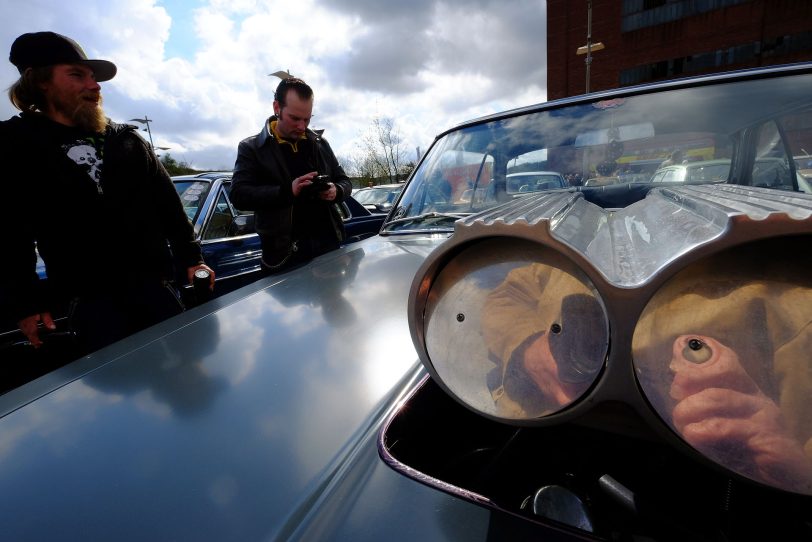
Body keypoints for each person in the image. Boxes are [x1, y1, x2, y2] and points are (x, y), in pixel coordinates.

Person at [0, 31, 214, 356]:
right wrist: (25, 300)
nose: (95, 86)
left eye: (94, 78)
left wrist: (192, 259)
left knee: (186, 369)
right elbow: (9, 232)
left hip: (156, 291)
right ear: (41, 81)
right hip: (89, 304)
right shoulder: (17, 145)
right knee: (120, 394)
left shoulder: (126, 140)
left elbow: (169, 204)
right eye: (77, 75)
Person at [230, 77, 352, 273]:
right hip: (284, 256)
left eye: (308, 119)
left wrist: (335, 190)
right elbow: (238, 195)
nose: (302, 127)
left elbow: (345, 181)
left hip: (328, 248)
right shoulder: (251, 148)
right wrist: (287, 191)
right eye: (295, 118)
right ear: (276, 107)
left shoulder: (321, 143)